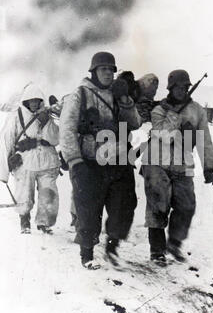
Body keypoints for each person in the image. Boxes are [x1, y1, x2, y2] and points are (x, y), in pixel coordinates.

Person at [59, 52, 142, 269]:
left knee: (124, 205)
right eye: (103, 68)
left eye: (111, 69)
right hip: (89, 161)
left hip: (118, 160)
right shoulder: (80, 94)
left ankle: (112, 244)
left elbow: (134, 124)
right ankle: (86, 253)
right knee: (88, 210)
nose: (108, 73)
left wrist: (125, 100)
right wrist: (74, 160)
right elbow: (66, 129)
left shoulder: (117, 94)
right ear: (94, 71)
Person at [141, 70, 213, 266]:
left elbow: (204, 139)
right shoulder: (159, 110)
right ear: (171, 88)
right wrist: (174, 114)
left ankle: (173, 243)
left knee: (187, 206)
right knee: (158, 206)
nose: (182, 90)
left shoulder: (197, 110)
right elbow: (162, 135)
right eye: (178, 87)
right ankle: (157, 251)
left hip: (182, 164)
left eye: (185, 87)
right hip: (156, 162)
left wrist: (209, 167)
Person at [0, 82, 60, 234]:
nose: (34, 103)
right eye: (31, 100)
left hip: (47, 160)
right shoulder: (16, 116)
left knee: (48, 191)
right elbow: (6, 140)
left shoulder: (47, 116)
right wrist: (4, 171)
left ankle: (44, 223)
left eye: (37, 100)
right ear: (26, 101)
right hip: (25, 161)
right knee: (24, 193)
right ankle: (24, 219)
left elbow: (55, 139)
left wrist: (46, 122)